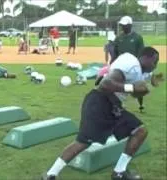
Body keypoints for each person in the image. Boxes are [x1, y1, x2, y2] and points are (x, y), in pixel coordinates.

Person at [42, 47, 163, 180]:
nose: (155, 66)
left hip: (114, 106)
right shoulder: (131, 63)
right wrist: (132, 87)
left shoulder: (140, 71)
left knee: (140, 131)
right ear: (145, 57)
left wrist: (143, 88)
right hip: (99, 102)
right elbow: (105, 84)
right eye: (154, 62)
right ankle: (50, 175)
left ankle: (119, 172)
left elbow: (137, 87)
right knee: (83, 142)